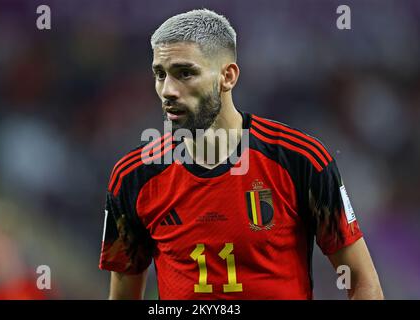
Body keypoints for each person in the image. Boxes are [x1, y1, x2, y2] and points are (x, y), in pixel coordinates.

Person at [98, 8, 383, 300]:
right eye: (160, 74)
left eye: (185, 73)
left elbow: (363, 282)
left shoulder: (301, 161)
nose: (168, 90)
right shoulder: (133, 177)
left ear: (227, 76)